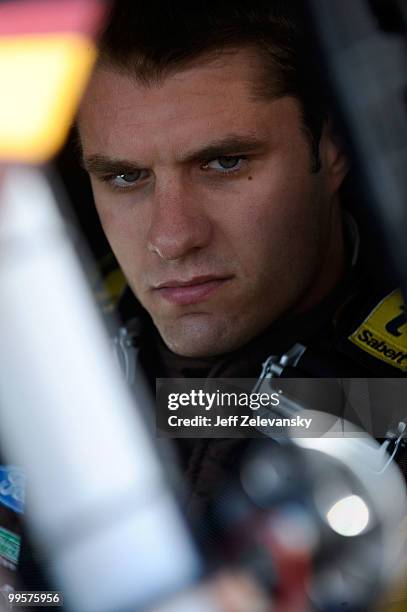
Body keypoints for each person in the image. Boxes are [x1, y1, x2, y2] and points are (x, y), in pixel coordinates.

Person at [77, 0, 407, 515]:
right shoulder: (50, 330)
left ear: (334, 148)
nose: (172, 237)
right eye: (125, 176)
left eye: (224, 162)